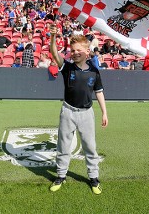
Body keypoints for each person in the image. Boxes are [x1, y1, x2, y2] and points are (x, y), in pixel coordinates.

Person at [48, 25, 108, 195]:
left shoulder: (95, 72)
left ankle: (94, 178)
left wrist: (104, 112)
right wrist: (53, 37)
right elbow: (54, 52)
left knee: (90, 146)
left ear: (87, 51)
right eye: (72, 50)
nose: (74, 53)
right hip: (68, 111)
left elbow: (99, 92)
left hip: (87, 114)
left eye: (78, 50)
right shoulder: (67, 67)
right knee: (63, 145)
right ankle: (60, 175)